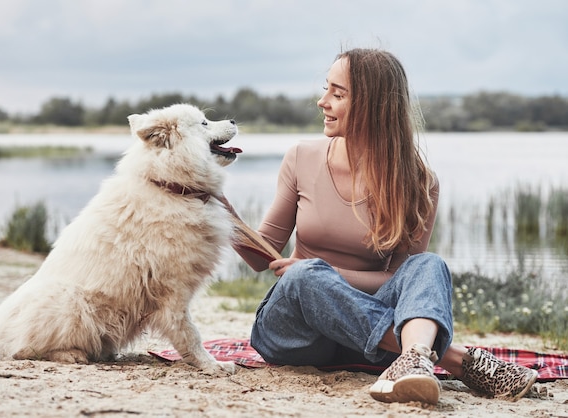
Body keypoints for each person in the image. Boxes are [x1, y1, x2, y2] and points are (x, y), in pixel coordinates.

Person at [224, 48, 538, 405]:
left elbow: (403, 283)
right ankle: (456, 360)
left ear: (373, 106)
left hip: (368, 342)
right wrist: (215, 206)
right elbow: (261, 254)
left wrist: (329, 272)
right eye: (326, 89)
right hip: (296, 333)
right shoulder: (301, 157)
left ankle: (413, 357)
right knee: (304, 277)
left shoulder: (419, 181)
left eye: (337, 94)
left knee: (428, 264)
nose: (322, 101)